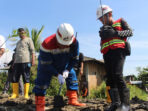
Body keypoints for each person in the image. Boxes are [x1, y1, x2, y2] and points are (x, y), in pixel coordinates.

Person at [33, 23, 86, 111]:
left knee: (72, 76)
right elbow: (46, 65)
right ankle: (40, 104)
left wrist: (67, 70)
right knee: (41, 81)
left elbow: (74, 59)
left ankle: (73, 99)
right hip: (46, 66)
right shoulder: (46, 44)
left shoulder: (74, 43)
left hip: (64, 64)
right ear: (57, 38)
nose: (65, 46)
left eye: (67, 44)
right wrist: (58, 75)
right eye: (62, 44)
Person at [96, 5, 133, 111]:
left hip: (119, 52)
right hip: (107, 53)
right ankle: (115, 104)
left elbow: (130, 32)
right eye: (100, 20)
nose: (101, 21)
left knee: (117, 75)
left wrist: (115, 33)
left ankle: (125, 105)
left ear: (109, 15)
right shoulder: (103, 29)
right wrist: (103, 34)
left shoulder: (121, 21)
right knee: (110, 78)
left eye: (102, 18)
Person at [9, 28, 35, 99]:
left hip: (26, 61)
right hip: (17, 62)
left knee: (26, 77)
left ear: (25, 33)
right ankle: (15, 94)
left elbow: (33, 50)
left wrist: (33, 60)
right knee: (15, 78)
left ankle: (26, 94)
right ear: (19, 34)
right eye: (20, 33)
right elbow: (16, 53)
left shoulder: (29, 40)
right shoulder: (18, 42)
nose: (22, 34)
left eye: (23, 33)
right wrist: (13, 62)